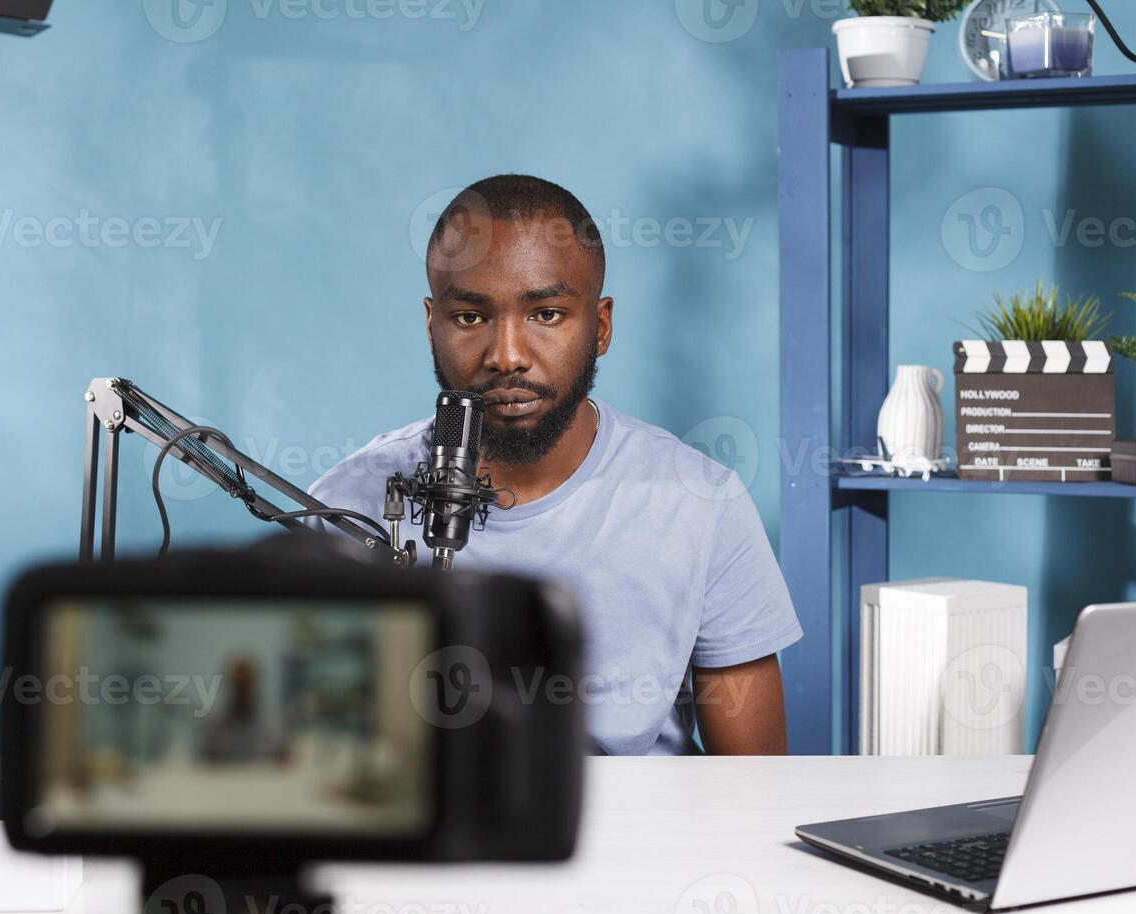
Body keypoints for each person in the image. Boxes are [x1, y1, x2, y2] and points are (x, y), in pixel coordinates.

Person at [309, 174, 801, 755]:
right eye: (470, 317)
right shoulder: (350, 503)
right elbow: (314, 759)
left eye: (546, 314)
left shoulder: (699, 502)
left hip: (644, 839)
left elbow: (753, 787)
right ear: (431, 325)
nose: (507, 356)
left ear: (601, 326)